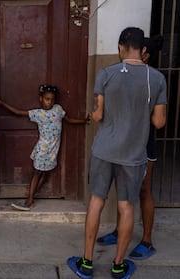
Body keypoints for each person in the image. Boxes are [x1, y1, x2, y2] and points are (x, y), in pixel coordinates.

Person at [67, 27, 167, 279]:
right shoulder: (156, 78)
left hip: (104, 151)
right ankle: (118, 266)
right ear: (141, 48)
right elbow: (159, 122)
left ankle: (87, 263)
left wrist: (96, 113)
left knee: (96, 202)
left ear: (121, 46)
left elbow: (99, 115)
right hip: (133, 155)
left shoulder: (106, 73)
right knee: (126, 207)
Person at [96, 36, 164, 261]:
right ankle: (119, 231)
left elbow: (159, 120)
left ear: (145, 54)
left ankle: (146, 240)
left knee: (143, 190)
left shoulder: (152, 79)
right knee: (124, 195)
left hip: (144, 144)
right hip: (124, 144)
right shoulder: (121, 74)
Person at [0, 85, 89, 211]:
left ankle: (31, 196)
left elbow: (69, 119)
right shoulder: (38, 113)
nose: (49, 102)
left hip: (53, 150)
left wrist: (83, 121)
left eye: (52, 99)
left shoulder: (58, 109)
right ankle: (29, 201)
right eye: (47, 99)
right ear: (41, 99)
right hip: (43, 149)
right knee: (37, 173)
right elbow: (18, 112)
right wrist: (1, 103)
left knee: (46, 172)